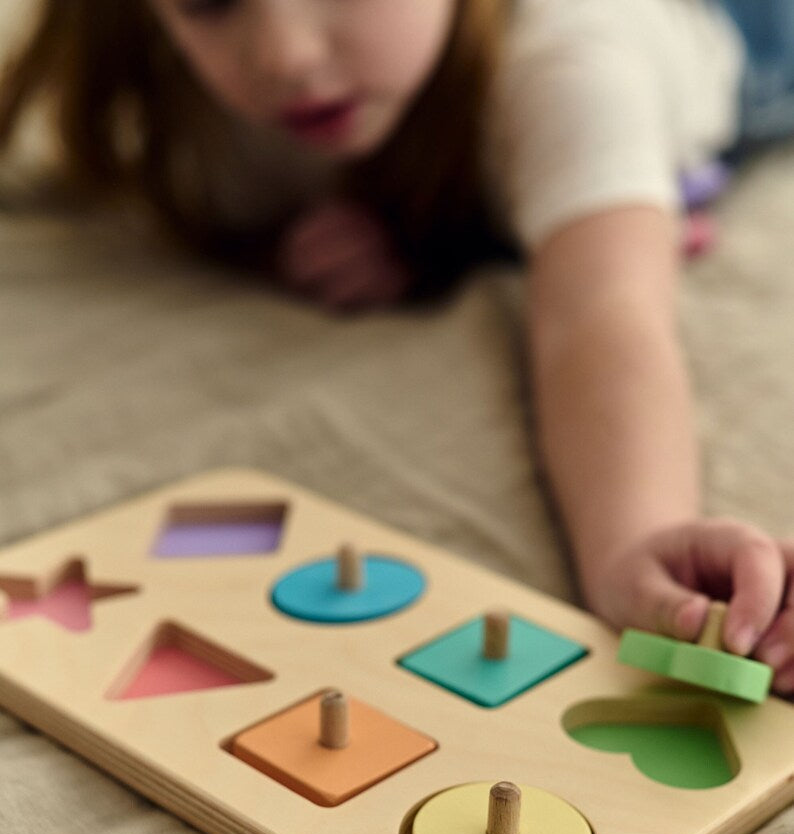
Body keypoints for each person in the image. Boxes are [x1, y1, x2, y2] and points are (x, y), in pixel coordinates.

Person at [1, 0, 793, 691]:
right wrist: (402, 234)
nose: (285, 57)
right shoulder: (187, 103)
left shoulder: (573, 60)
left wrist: (635, 540)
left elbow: (601, 314)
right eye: (208, 0)